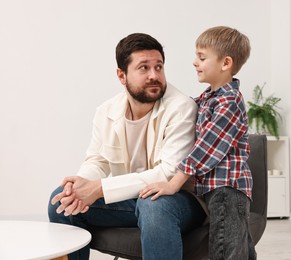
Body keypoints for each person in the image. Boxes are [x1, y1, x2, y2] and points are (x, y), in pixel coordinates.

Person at [48, 33, 206, 260]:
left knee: (154, 205)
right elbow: (97, 160)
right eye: (144, 68)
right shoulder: (106, 111)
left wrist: (99, 188)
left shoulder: (181, 107)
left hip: (179, 201)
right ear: (122, 75)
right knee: (60, 201)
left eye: (159, 67)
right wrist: (81, 187)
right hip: (134, 198)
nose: (155, 75)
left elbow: (168, 173)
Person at [140, 26, 256, 259]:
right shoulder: (208, 98)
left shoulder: (229, 102)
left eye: (202, 58)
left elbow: (206, 148)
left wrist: (174, 182)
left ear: (225, 64)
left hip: (227, 190)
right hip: (213, 191)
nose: (195, 62)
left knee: (225, 251)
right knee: (242, 249)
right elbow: (182, 107)